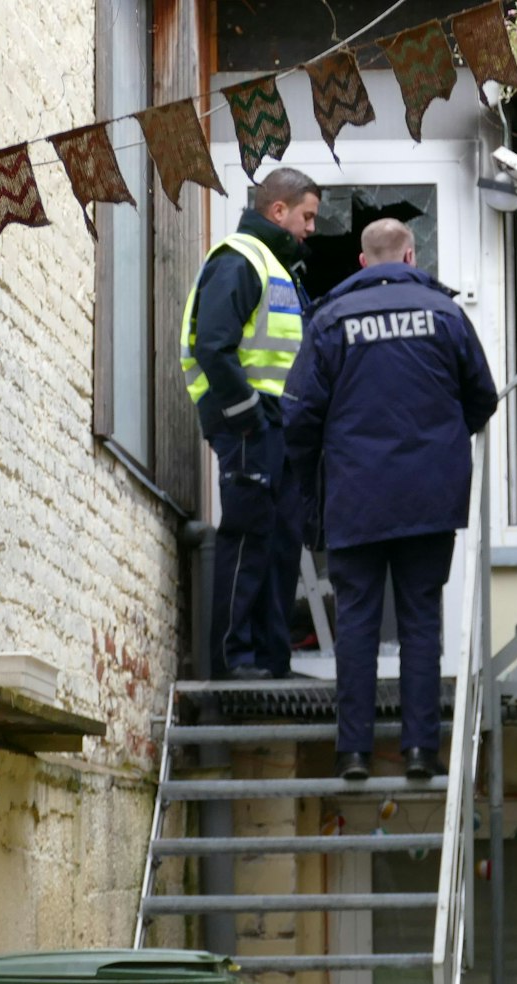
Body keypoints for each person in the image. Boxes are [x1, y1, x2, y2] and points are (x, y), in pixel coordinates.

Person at [285, 219, 498, 781]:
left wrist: (315, 477)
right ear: (410, 255)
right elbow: (483, 397)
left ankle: (353, 752)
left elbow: (300, 415)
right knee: (421, 622)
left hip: (355, 497)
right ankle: (420, 752)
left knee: (355, 624)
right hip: (430, 498)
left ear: (361, 262)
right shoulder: (447, 315)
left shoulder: (331, 320)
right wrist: (444, 442)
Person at [180, 168, 321, 680]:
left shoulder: (279, 268)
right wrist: (248, 420)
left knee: (282, 542)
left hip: (275, 427)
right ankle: (233, 661)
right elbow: (211, 347)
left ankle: (271, 660)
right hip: (249, 425)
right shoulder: (239, 260)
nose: (311, 228)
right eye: (307, 216)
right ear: (277, 211)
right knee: (246, 537)